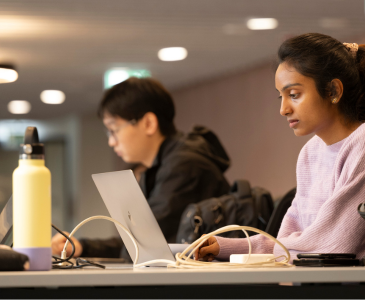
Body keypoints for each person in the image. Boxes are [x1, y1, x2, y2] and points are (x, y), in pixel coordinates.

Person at [195, 33, 365, 262]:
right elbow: (288, 241)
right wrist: (227, 247)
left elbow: (333, 246)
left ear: (333, 91)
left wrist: (246, 250)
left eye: (294, 94)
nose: (284, 109)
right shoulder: (311, 152)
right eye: (281, 97)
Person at [51, 77, 231, 259]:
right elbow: (136, 243)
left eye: (114, 129)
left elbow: (144, 246)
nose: (111, 141)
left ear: (148, 123)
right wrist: (82, 246)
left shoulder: (184, 165)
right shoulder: (165, 165)